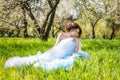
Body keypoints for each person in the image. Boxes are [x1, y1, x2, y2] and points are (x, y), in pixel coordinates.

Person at [4, 22, 90, 71]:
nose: (76, 34)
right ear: (70, 29)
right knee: (41, 59)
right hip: (56, 52)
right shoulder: (61, 35)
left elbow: (75, 51)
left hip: (66, 54)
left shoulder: (74, 40)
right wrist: (51, 53)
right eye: (75, 31)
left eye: (78, 32)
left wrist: (77, 41)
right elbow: (55, 46)